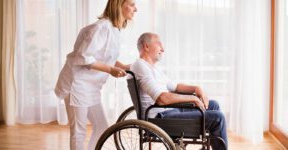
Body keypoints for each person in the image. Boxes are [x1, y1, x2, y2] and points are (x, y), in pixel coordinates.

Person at [54, 0, 137, 149]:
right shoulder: (101, 28)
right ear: (118, 5)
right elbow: (84, 57)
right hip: (77, 84)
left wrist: (121, 66)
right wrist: (111, 70)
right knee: (78, 132)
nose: (135, 9)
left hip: (91, 86)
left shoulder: (114, 29)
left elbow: (104, 55)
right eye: (131, 4)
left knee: (102, 128)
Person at [130, 32, 228, 150]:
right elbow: (162, 99)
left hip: (169, 110)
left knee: (213, 105)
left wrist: (197, 88)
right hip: (159, 119)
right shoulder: (140, 66)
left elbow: (175, 86)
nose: (163, 48)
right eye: (159, 43)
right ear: (146, 46)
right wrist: (193, 98)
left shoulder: (153, 68)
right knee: (217, 117)